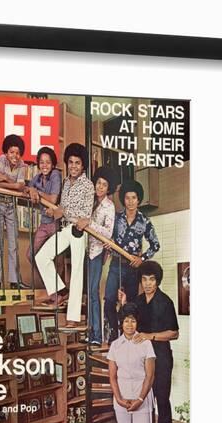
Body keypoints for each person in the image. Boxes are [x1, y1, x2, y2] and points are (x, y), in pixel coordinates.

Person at [119, 260, 179, 423]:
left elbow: (174, 333)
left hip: (161, 359)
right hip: (141, 361)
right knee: (143, 403)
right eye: (144, 279)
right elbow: (127, 322)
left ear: (157, 281)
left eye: (152, 280)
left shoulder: (166, 301)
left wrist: (149, 336)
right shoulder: (136, 301)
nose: (147, 284)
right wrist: (123, 305)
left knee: (162, 402)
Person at [35, 143, 94, 330]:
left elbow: (85, 214)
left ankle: (73, 317)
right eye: (71, 162)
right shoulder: (66, 182)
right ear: (67, 163)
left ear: (83, 165)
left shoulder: (88, 185)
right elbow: (61, 208)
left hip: (78, 230)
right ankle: (61, 292)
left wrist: (63, 213)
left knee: (76, 273)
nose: (74, 166)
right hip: (64, 228)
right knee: (41, 256)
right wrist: (57, 213)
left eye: (77, 163)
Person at [104, 179, 160, 343]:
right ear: (123, 199)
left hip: (133, 268)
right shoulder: (116, 218)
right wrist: (108, 245)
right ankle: (114, 332)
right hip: (116, 264)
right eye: (127, 198)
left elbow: (155, 245)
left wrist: (141, 258)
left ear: (138, 199)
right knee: (108, 300)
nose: (130, 202)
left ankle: (127, 336)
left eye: (134, 198)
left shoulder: (145, 221)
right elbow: (107, 236)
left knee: (131, 305)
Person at [75, 166, 118, 346]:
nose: (100, 187)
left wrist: (89, 223)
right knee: (87, 293)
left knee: (93, 292)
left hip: (96, 252)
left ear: (109, 188)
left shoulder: (109, 206)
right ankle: (90, 331)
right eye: (98, 183)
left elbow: (108, 233)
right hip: (82, 249)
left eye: (104, 185)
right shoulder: (90, 200)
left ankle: (96, 335)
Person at [108, 303, 156, 423]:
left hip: (141, 398)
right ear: (121, 322)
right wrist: (119, 399)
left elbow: (150, 376)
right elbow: (113, 377)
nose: (129, 324)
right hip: (121, 400)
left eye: (133, 320)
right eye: (126, 320)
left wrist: (140, 399)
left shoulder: (146, 344)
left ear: (137, 322)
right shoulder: (115, 346)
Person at [0, 134, 30, 290]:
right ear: (6, 152)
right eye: (12, 152)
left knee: (13, 245)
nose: (15, 155)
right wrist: (13, 183)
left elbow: (20, 187)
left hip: (11, 206)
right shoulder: (1, 160)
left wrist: (5, 179)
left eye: (18, 152)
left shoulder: (23, 165)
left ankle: (14, 281)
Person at [25, 147, 62, 265]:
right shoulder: (38, 177)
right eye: (41, 162)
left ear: (53, 164)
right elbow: (27, 188)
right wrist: (31, 189)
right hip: (43, 223)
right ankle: (47, 279)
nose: (44, 165)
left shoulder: (55, 174)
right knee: (30, 254)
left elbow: (53, 199)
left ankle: (58, 283)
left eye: (48, 162)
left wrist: (38, 192)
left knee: (57, 258)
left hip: (55, 223)